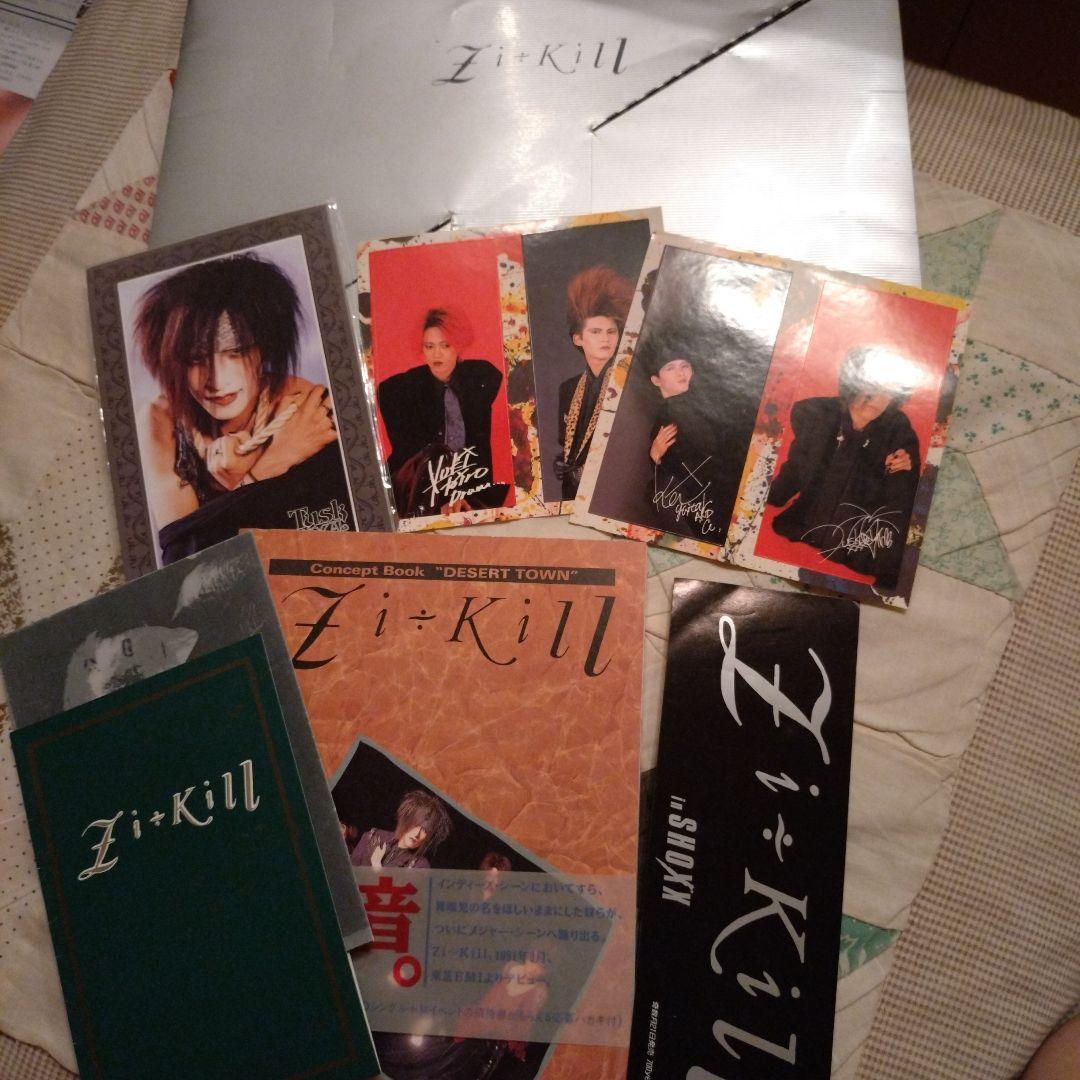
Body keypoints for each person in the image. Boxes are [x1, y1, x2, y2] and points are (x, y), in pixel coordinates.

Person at [134, 252, 347, 563]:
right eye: (195, 358)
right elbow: (187, 562)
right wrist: (268, 468)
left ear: (264, 345)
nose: (216, 381)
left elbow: (323, 545)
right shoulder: (161, 421)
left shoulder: (312, 412)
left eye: (236, 352)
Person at [766, 344, 921, 590]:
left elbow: (902, 497)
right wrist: (767, 497)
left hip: (854, 541)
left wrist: (903, 465)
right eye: (870, 387)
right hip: (803, 524)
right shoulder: (817, 413)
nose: (876, 399)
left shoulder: (898, 428)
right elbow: (797, 466)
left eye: (888, 391)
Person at [377, 307, 506, 517]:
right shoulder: (400, 389)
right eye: (429, 346)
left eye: (445, 345)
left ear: (459, 346)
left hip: (469, 484)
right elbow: (410, 457)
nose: (437, 354)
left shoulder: (483, 377)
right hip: (419, 488)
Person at [555, 266, 634, 500]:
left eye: (611, 331)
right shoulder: (568, 389)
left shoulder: (629, 385)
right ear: (578, 338)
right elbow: (569, 446)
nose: (605, 338)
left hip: (612, 494)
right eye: (596, 331)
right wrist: (562, 463)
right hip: (572, 496)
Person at [350, 789, 452, 871]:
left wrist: (377, 866)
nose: (417, 834)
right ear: (406, 819)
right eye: (415, 825)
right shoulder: (373, 836)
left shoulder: (419, 867)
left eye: (425, 830)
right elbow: (348, 873)